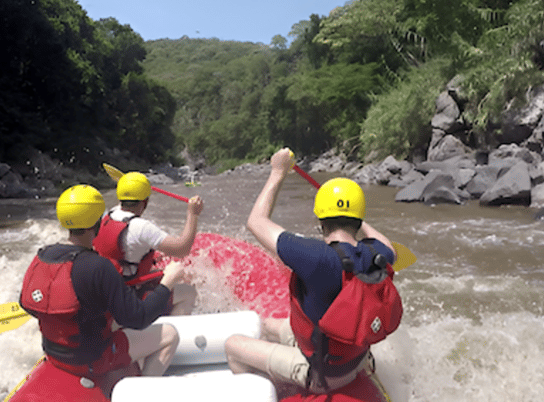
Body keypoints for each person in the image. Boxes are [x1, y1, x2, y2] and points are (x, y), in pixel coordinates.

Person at [224, 148, 403, 395]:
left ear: (321, 219)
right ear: (359, 221)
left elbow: (256, 222)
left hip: (322, 375)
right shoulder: (378, 255)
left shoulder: (314, 256)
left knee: (233, 346)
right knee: (268, 325)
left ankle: (271, 392)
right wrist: (356, 217)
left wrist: (278, 171)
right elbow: (387, 243)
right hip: (355, 360)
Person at [20, 184, 184, 395]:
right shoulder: (99, 267)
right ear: (98, 222)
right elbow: (138, 318)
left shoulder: (43, 255)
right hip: (93, 359)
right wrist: (167, 282)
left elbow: (28, 305)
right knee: (170, 335)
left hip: (54, 354)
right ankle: (141, 394)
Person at [94, 171, 203, 316]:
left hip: (111, 289)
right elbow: (182, 248)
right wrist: (193, 214)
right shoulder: (140, 227)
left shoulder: (108, 215)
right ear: (145, 202)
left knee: (159, 272)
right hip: (129, 296)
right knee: (189, 292)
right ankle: (170, 330)